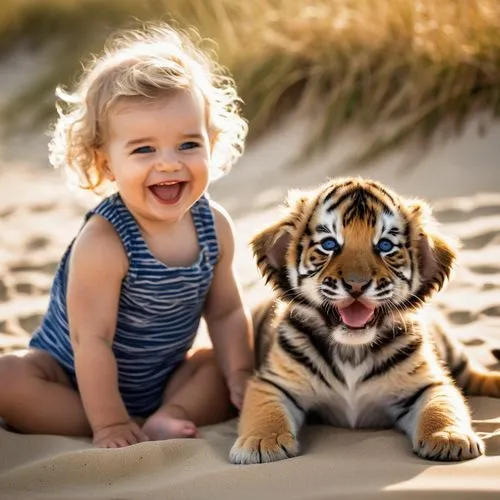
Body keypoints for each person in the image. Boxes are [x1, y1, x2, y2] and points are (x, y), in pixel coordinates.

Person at [0, 23, 254, 448]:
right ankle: (118, 421)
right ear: (106, 162)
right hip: (74, 381)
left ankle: (168, 415)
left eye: (188, 145)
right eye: (144, 149)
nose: (169, 164)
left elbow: (226, 313)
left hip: (162, 378)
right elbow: (91, 341)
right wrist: (110, 424)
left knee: (217, 366)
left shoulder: (215, 227)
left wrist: (242, 374)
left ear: (211, 141)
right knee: (9, 379)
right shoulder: (105, 242)